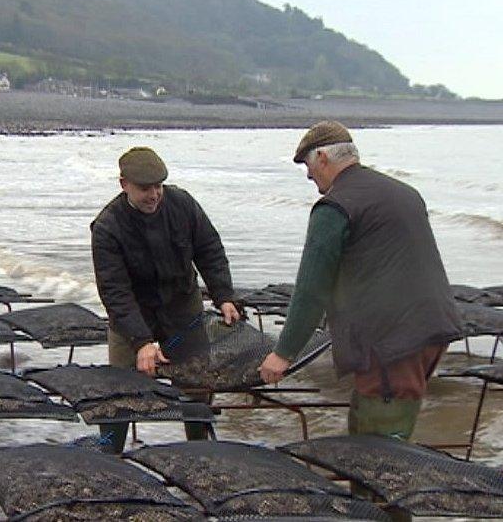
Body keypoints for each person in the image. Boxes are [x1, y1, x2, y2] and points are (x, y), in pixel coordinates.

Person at [259, 120, 463, 441]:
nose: (310, 176)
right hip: (433, 327)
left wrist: (283, 353)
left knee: (381, 447)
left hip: (390, 342)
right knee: (377, 421)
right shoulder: (405, 193)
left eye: (309, 167)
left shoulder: (334, 207)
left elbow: (311, 290)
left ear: (323, 158)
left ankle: (378, 489)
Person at [91, 146, 241, 453]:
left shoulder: (182, 203)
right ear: (124, 184)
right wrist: (141, 342)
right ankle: (110, 454)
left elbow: (209, 249)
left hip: (182, 308)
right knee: (120, 393)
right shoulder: (107, 227)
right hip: (133, 315)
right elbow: (115, 291)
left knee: (196, 388)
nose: (154, 195)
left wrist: (224, 295)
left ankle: (201, 451)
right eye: (145, 189)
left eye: (158, 186)